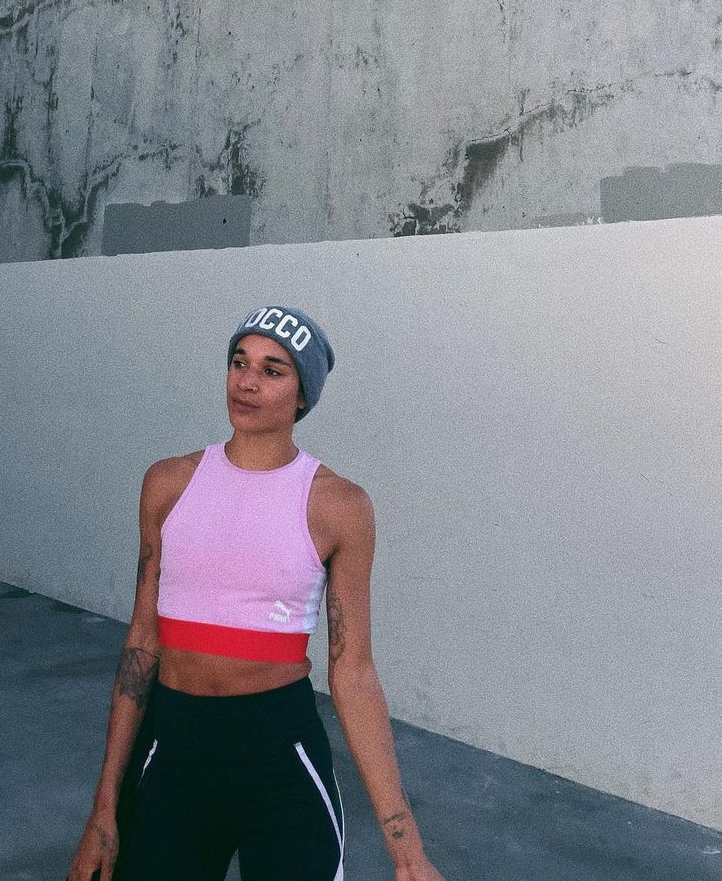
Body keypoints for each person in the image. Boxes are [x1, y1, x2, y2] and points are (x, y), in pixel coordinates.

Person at [67, 304, 446, 881]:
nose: (246, 382)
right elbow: (142, 644)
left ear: (302, 396)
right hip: (174, 747)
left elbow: (353, 672)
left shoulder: (338, 505)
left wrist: (406, 847)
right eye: (239, 362)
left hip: (280, 755)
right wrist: (104, 809)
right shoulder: (167, 484)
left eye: (272, 370)